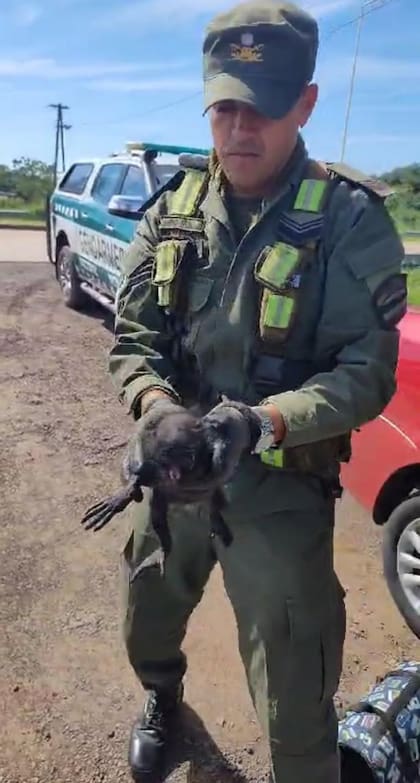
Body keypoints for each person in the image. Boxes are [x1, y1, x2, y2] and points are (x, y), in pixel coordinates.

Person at [108, 1, 407, 781]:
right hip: (178, 471)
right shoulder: (173, 210)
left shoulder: (349, 221)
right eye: (225, 108)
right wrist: (157, 411)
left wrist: (263, 421)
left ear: (305, 103)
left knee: (295, 674)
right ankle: (162, 695)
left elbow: (367, 371)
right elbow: (133, 340)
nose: (240, 129)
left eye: (263, 107)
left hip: (280, 483)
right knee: (147, 605)